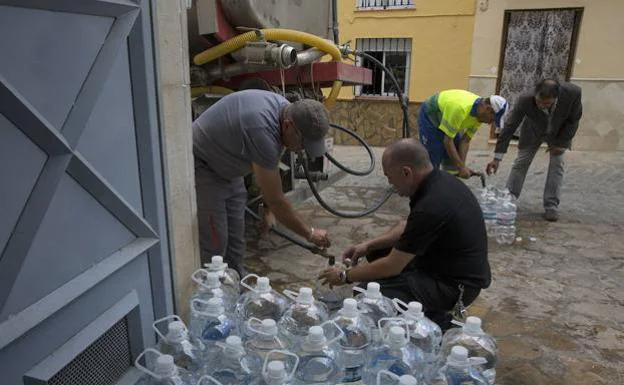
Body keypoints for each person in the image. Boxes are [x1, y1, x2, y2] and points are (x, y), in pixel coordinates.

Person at [319, 139, 491, 330]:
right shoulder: (438, 182)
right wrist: (368, 245)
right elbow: (407, 226)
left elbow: (392, 266)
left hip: (456, 287)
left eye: (390, 177)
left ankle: (436, 324)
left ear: (406, 172)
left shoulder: (432, 205)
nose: (390, 184)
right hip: (446, 267)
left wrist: (344, 275)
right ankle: (418, 307)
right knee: (377, 253)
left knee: (369, 294)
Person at [193, 90, 331, 275]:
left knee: (236, 242)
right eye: (302, 143)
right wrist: (310, 233)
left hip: (230, 168)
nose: (301, 150)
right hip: (204, 166)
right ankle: (213, 295)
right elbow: (277, 199)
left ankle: (237, 289)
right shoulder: (262, 129)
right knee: (216, 243)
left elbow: (270, 171)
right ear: (289, 126)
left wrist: (267, 210)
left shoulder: (286, 112)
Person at [486, 79, 582, 222]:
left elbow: (573, 120)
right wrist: (497, 157)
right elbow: (510, 126)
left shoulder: (573, 93)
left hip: (560, 132)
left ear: (556, 98)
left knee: (557, 165)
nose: (542, 106)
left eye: (547, 104)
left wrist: (560, 143)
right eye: (539, 102)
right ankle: (510, 198)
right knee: (521, 162)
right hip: (533, 130)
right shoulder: (525, 99)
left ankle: (551, 205)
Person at [418, 90, 507, 178]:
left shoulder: (479, 116)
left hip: (450, 117)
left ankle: (448, 186)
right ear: (488, 109)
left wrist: (462, 167)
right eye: (492, 119)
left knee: (453, 160)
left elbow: (465, 141)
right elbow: (448, 141)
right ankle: (428, 187)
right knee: (433, 158)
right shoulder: (460, 109)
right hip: (431, 115)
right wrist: (461, 167)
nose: (490, 123)